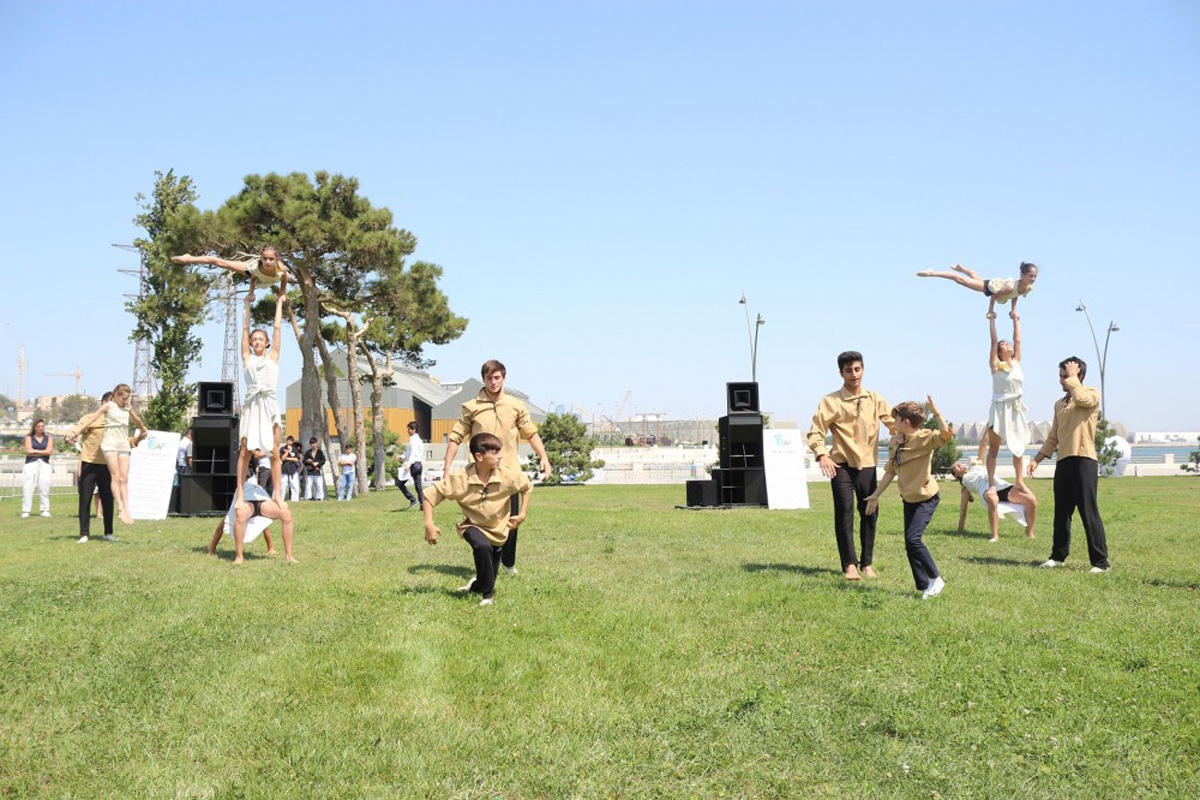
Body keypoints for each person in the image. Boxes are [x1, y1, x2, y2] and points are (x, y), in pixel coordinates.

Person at [444, 359, 551, 576]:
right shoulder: (471, 407)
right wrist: (446, 468)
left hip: (509, 474)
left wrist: (544, 457)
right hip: (480, 477)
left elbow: (531, 433)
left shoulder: (515, 406)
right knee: (483, 524)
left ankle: (508, 562)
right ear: (483, 379)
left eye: (497, 378)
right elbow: (455, 437)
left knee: (511, 522)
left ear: (503, 377)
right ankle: (486, 568)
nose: (493, 382)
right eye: (488, 378)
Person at [806, 351, 895, 581]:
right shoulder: (830, 401)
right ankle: (849, 565)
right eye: (848, 370)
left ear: (863, 370)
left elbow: (895, 424)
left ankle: (867, 563)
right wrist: (822, 455)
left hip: (867, 466)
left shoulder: (875, 399)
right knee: (844, 514)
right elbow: (816, 432)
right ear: (841, 373)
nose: (854, 374)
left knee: (869, 515)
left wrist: (909, 436)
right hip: (841, 466)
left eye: (857, 369)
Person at [423, 432, 533, 606]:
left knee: (485, 577)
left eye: (499, 452)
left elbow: (527, 486)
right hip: (472, 526)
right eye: (495, 453)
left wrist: (522, 513)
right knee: (482, 546)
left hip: (498, 531)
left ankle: (476, 586)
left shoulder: (507, 475)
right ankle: (488, 598)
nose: (500, 456)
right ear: (479, 456)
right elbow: (429, 495)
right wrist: (429, 523)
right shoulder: (460, 479)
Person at [1028, 357, 1111, 573]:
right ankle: (1058, 556)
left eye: (1065, 376)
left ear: (1078, 376)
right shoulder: (1059, 404)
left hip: (1085, 460)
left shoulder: (1091, 393)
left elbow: (1082, 399)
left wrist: (1073, 379)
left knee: (1088, 512)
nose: (1061, 381)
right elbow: (1053, 436)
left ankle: (1100, 563)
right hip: (1064, 461)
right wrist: (1037, 459)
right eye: (1060, 376)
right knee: (1061, 513)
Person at [865, 397, 952, 599]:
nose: (892, 424)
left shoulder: (926, 437)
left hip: (926, 497)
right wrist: (876, 496)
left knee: (914, 539)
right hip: (909, 499)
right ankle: (924, 586)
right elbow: (890, 471)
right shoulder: (897, 442)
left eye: (896, 420)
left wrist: (936, 412)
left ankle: (936, 578)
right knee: (909, 543)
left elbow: (947, 435)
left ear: (906, 422)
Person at [234, 277, 287, 508]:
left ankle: (277, 494)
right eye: (254, 339)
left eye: (260, 339)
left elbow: (276, 329)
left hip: (270, 405)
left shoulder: (273, 356)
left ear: (266, 344)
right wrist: (247, 305)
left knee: (274, 451)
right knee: (245, 451)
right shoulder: (247, 359)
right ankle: (240, 493)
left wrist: (279, 303)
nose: (256, 341)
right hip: (252, 405)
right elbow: (244, 330)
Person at [71, 383, 148, 524]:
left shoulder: (127, 407)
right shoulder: (108, 406)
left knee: (124, 478)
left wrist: (142, 428)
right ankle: (119, 509)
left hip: (122, 442)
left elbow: (136, 419)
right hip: (109, 443)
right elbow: (91, 419)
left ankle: (127, 508)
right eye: (124, 398)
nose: (126, 401)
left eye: (128, 398)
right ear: (116, 395)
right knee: (116, 476)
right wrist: (75, 433)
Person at [951, 437, 1038, 541]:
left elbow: (983, 443)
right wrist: (960, 530)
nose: (960, 465)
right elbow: (963, 511)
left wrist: (989, 425)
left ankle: (1029, 532)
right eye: (957, 466)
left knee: (1031, 500)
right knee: (992, 499)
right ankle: (994, 536)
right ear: (956, 475)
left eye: (959, 464)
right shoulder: (965, 486)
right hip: (986, 490)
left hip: (1000, 486)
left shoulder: (976, 464)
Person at [983, 308, 1030, 491]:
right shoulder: (995, 365)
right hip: (999, 408)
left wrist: (1016, 319)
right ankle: (991, 482)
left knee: (1018, 448)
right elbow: (993, 341)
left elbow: (1018, 339)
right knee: (993, 449)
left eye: (1008, 344)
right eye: (1005, 345)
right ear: (999, 352)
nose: (1008, 345)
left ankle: (1019, 481)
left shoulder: (1016, 362)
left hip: (1015, 408)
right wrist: (992, 320)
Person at [64, 396, 117, 542]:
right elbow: (75, 430)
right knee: (85, 499)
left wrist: (138, 439)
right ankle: (84, 534)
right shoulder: (90, 418)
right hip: (89, 463)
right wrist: (69, 436)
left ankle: (108, 533)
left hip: (107, 465)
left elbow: (124, 441)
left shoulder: (116, 422)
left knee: (108, 500)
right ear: (103, 403)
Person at [210, 479, 297, 565]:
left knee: (286, 514)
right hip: (245, 499)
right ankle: (238, 556)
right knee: (230, 520)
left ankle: (289, 556)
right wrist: (212, 550)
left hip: (262, 499)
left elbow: (264, 526)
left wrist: (277, 495)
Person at [917, 262, 1038, 313]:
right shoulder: (1010, 287)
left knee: (975, 277)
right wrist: (991, 310)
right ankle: (932, 272)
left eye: (1034, 276)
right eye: (1030, 276)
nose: (1033, 279)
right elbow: (994, 295)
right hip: (989, 288)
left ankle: (962, 268)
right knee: (959, 279)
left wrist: (1013, 310)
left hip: (991, 284)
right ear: (1022, 275)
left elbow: (1016, 296)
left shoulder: (1027, 288)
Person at [171, 244, 291, 286]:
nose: (268, 262)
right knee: (218, 262)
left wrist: (282, 294)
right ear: (261, 257)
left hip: (272, 278)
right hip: (252, 272)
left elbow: (285, 279)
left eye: (271, 259)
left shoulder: (280, 268)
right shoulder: (255, 266)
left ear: (276, 259)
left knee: (290, 278)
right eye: (265, 259)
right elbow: (253, 277)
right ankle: (188, 258)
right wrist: (251, 292)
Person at [21, 418, 54, 518]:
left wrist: (35, 451)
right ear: (34, 427)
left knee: (44, 486)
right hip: (31, 463)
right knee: (28, 486)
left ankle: (45, 509)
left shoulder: (49, 438)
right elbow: (28, 451)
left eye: (42, 426)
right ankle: (26, 510)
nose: (41, 428)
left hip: (44, 463)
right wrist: (41, 452)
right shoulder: (28, 437)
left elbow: (49, 451)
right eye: (38, 426)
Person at [396, 421, 424, 510]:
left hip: (413, 464)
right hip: (418, 464)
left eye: (409, 429)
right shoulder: (416, 440)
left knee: (399, 482)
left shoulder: (415, 440)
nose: (408, 431)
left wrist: (408, 464)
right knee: (418, 486)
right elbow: (408, 453)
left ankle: (412, 499)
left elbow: (413, 454)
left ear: (414, 430)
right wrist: (402, 456)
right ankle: (422, 505)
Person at [280, 435, 303, 501]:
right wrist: (287, 452)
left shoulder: (295, 449)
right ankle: (281, 499)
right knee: (283, 486)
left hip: (293, 470)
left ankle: (295, 499)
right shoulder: (282, 449)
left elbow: (296, 459)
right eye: (288, 441)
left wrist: (288, 458)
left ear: (292, 442)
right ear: (286, 441)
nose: (289, 442)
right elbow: (282, 458)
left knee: (294, 486)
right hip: (284, 470)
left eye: (291, 441)